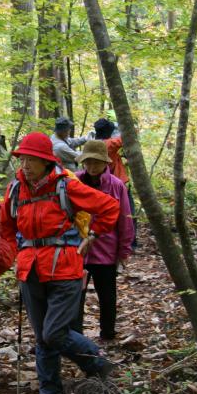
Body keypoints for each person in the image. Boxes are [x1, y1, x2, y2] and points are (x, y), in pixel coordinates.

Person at [0, 132, 119, 394]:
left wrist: (93, 235)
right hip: (30, 269)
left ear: (45, 161)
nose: (25, 164)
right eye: (22, 159)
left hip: (64, 268)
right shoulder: (16, 189)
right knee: (43, 339)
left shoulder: (66, 185)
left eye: (31, 159)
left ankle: (98, 364)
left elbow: (109, 208)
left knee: (53, 333)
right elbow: (5, 228)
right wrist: (4, 261)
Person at [75, 141, 134, 341]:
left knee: (107, 296)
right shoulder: (75, 182)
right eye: (88, 162)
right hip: (78, 251)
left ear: (105, 163)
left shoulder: (116, 186)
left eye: (96, 162)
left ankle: (107, 333)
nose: (91, 167)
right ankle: (76, 336)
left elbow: (125, 219)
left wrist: (124, 251)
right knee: (76, 297)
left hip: (106, 251)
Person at [94, 118, 136, 247]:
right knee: (128, 212)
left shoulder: (94, 144)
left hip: (105, 184)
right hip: (117, 184)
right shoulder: (108, 144)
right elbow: (127, 135)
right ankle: (131, 242)